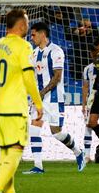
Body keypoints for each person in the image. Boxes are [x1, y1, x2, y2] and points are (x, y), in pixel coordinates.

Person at [0, 9, 43, 193]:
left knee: (5, 152)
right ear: (21, 26)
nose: (28, 27)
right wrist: (38, 103)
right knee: (17, 149)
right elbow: (28, 77)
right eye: (27, 23)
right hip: (14, 107)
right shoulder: (23, 46)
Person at [23, 22, 85, 174]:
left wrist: (42, 93)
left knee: (56, 132)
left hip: (54, 98)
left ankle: (78, 151)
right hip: (39, 98)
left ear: (42, 34)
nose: (31, 38)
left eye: (33, 34)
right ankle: (38, 166)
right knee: (34, 130)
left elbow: (57, 77)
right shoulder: (34, 53)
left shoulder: (56, 51)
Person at [82, 50, 97, 163]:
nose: (95, 54)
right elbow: (85, 87)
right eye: (93, 53)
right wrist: (84, 104)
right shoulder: (87, 69)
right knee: (88, 127)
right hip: (91, 102)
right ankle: (87, 155)